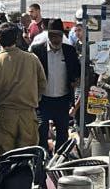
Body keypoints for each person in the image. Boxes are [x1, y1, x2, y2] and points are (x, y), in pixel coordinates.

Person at [0, 23, 46, 156]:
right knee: (27, 158)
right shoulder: (32, 59)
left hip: (4, 116)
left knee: (5, 160)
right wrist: (32, 99)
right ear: (16, 39)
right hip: (28, 115)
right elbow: (42, 84)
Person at [31, 18, 81, 153]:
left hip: (62, 98)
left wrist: (76, 80)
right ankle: (43, 160)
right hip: (43, 99)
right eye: (52, 35)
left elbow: (76, 72)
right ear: (48, 35)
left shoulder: (69, 51)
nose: (55, 39)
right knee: (41, 131)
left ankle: (59, 162)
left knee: (62, 133)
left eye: (58, 35)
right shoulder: (37, 51)